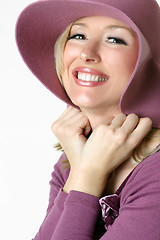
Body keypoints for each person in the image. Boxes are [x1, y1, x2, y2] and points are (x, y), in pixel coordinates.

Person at [15, 0, 160, 239]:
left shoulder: (155, 172)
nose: (86, 53)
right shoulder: (73, 156)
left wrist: (89, 173)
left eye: (115, 39)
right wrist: (82, 170)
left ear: (145, 62)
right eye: (78, 35)